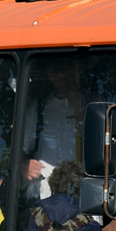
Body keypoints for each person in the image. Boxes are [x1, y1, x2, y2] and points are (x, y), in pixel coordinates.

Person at [22, 60, 85, 200]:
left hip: (82, 192)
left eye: (64, 70)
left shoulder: (93, 104)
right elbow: (20, 150)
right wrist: (24, 165)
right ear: (49, 75)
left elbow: (101, 149)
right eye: (55, 71)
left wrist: (80, 111)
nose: (60, 76)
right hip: (45, 193)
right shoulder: (39, 107)